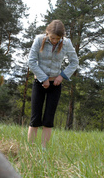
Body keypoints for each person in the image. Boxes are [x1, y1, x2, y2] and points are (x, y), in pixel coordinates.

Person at [27, 20, 79, 148]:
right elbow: (31, 62)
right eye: (52, 38)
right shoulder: (39, 40)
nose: (55, 41)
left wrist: (61, 76)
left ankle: (43, 149)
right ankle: (30, 148)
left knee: (49, 119)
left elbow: (74, 62)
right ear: (47, 33)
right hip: (39, 83)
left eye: (58, 38)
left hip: (55, 86)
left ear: (62, 37)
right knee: (35, 118)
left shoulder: (67, 43)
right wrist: (43, 78)